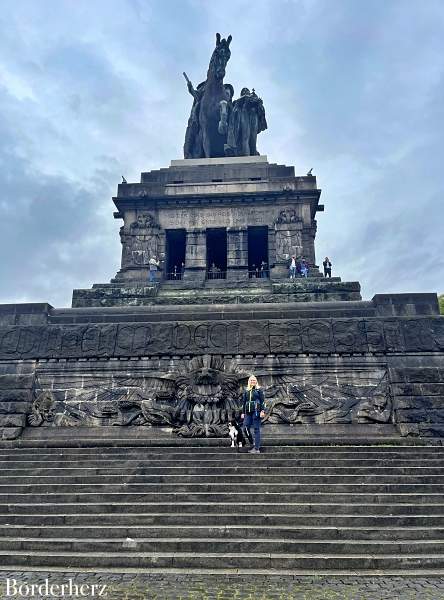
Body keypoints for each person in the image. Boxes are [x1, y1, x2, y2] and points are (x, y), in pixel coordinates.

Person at [241, 375, 266, 454]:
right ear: (249, 381)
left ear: (256, 381)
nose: (253, 382)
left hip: (256, 412)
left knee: (256, 429)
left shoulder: (259, 390)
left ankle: (256, 448)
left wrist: (262, 411)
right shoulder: (246, 390)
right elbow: (244, 402)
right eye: (251, 380)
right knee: (245, 428)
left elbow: (263, 402)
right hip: (248, 412)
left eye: (254, 380)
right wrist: (243, 412)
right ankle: (252, 442)